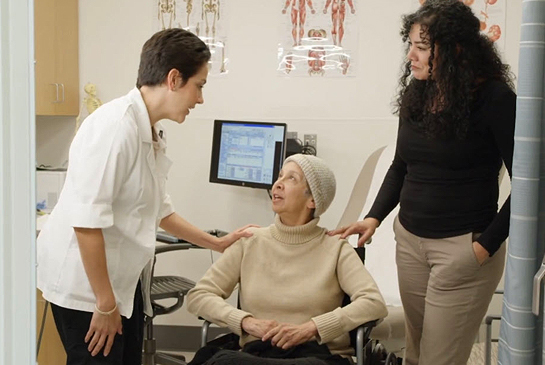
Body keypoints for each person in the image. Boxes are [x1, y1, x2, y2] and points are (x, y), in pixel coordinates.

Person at [37, 28, 253, 365]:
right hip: (87, 290)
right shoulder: (114, 129)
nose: (200, 99)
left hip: (119, 283)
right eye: (199, 86)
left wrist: (216, 244)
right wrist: (105, 305)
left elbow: (161, 211)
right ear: (173, 79)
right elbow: (86, 224)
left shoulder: (149, 131)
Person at [329, 1, 516, 364]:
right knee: (414, 355)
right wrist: (374, 217)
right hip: (410, 243)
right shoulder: (419, 91)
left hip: (462, 251)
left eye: (422, 47)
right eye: (409, 44)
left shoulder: (495, 99)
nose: (410, 55)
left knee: (438, 360)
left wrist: (484, 246)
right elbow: (401, 165)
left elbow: (530, 183)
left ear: (454, 49)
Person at [186, 154, 388, 365]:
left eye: (292, 178)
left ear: (313, 200)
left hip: (316, 356)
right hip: (255, 353)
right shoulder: (249, 241)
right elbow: (199, 296)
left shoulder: (335, 248)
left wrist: (312, 328)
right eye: (280, 176)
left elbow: (373, 303)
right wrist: (245, 322)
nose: (278, 184)